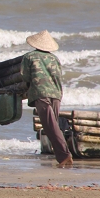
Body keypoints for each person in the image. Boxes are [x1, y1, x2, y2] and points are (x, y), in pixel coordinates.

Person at [20, 30, 73, 167]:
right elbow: (58, 76)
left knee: (50, 127)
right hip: (56, 93)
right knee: (53, 125)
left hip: (40, 93)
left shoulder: (29, 57)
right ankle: (62, 156)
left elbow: (25, 77)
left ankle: (65, 156)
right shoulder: (55, 58)